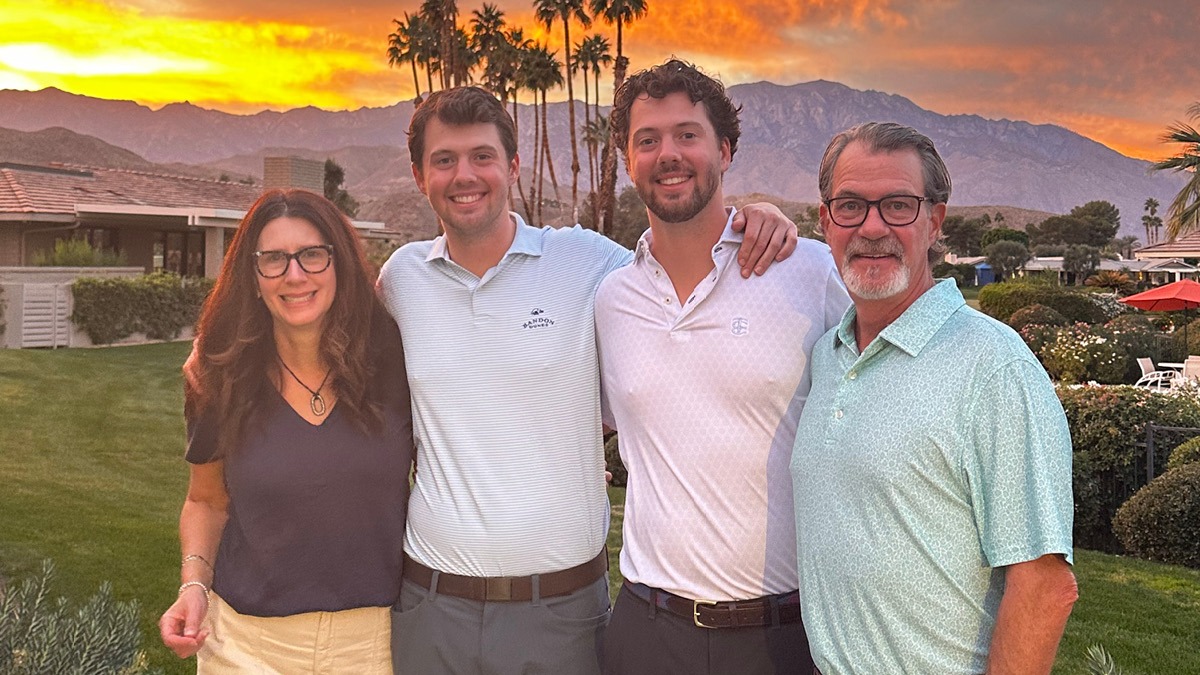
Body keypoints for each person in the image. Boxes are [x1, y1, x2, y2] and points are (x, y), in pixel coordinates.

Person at [375, 85, 798, 675]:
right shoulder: (400, 280)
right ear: (421, 176)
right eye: (444, 160)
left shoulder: (586, 261)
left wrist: (752, 214)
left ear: (513, 166)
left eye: (482, 156)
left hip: (559, 614)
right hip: (428, 607)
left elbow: (679, 255)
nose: (464, 175)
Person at [791, 122, 1077, 674]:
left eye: (898, 205)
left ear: (935, 220)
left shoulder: (993, 368)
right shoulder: (828, 354)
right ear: (826, 221)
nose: (872, 228)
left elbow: (1045, 584)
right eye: (850, 206)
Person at [593, 59, 848, 675]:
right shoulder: (610, 300)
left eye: (688, 135)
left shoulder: (806, 272)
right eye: (647, 140)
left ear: (726, 149)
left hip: (783, 635)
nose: (668, 154)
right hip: (646, 631)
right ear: (629, 162)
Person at [158, 189, 413, 673]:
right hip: (246, 646)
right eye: (274, 259)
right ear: (253, 278)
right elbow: (206, 500)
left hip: (375, 644)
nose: (294, 275)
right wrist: (193, 585)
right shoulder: (219, 379)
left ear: (338, 263)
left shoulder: (393, 368)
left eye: (312, 255)